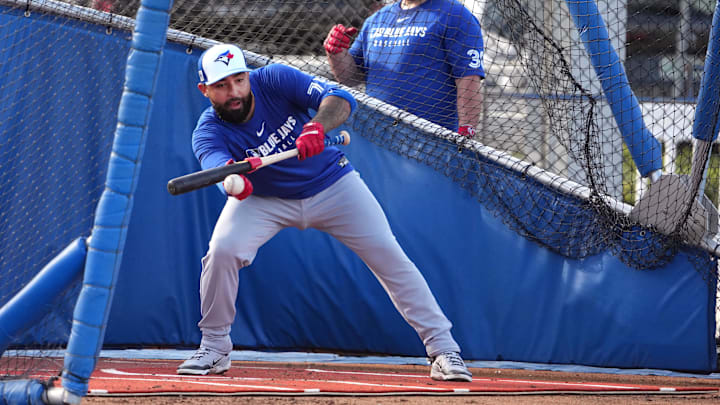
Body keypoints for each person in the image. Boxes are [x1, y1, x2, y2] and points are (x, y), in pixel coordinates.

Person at [176, 43, 472, 382]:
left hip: (333, 184)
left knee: (389, 255)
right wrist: (233, 182)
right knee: (222, 252)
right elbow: (219, 170)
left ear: (248, 76)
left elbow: (340, 100)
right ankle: (214, 347)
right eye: (221, 86)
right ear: (205, 90)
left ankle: (443, 349)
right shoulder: (208, 130)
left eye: (239, 80)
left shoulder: (274, 78)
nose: (234, 92)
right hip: (264, 198)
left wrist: (316, 126)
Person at [324, 0, 485, 138]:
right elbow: (350, 78)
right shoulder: (377, 19)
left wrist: (465, 131)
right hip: (377, 135)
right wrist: (336, 52)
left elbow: (468, 78)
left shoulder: (456, 15)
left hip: (431, 142)